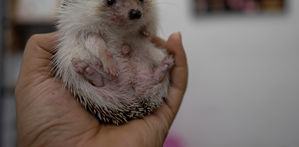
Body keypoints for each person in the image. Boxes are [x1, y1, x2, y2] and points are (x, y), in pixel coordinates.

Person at [15, 32, 188, 147]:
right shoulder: (86, 26)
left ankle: (152, 77)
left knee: (150, 56)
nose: (133, 10)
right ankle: (100, 80)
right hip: (112, 88)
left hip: (133, 81)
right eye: (111, 2)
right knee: (84, 56)